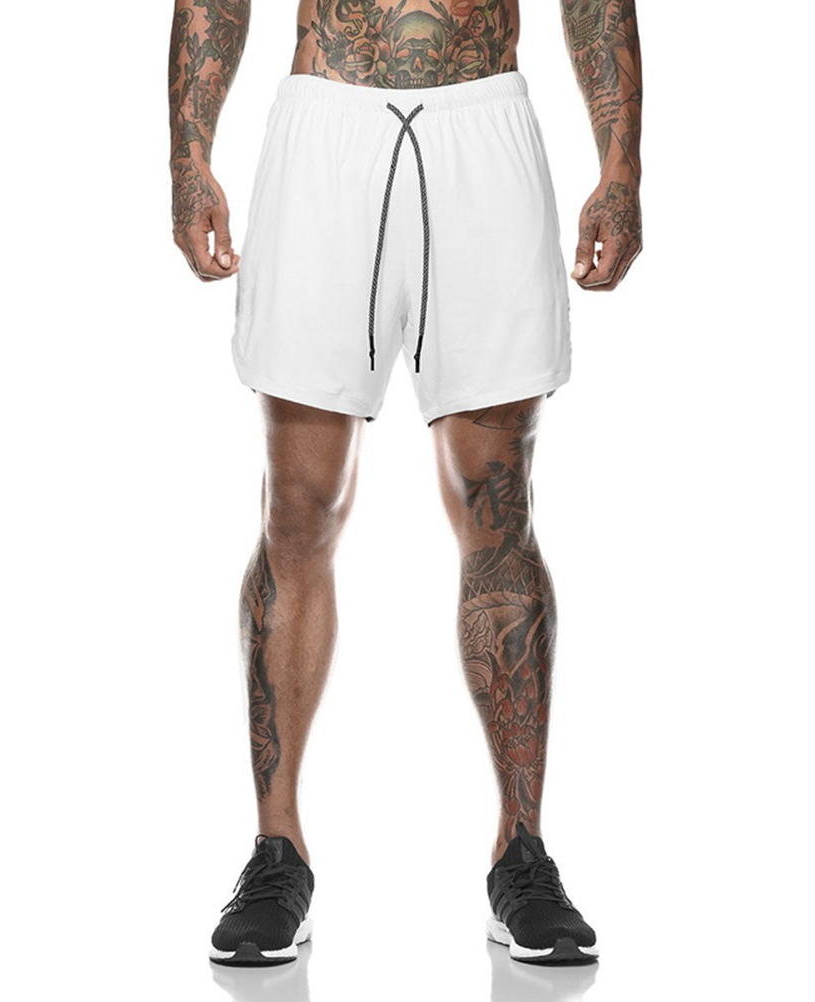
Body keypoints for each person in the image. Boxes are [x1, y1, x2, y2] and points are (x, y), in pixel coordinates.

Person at [168, 0, 642, 968]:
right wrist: (189, 155)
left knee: (497, 504)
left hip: (484, 125)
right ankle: (277, 851)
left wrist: (621, 168)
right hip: (326, 126)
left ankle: (521, 852)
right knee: (299, 506)